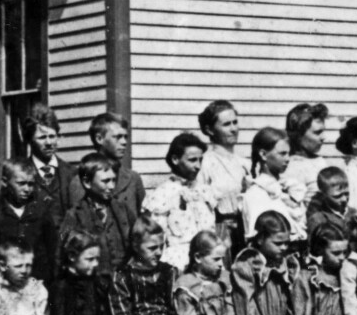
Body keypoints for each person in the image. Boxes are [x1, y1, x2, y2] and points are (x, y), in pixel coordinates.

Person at [141, 132, 217, 270]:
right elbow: (155, 238)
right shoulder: (163, 194)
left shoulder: (204, 192)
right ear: (175, 159)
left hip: (208, 261)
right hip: (178, 263)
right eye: (192, 160)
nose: (198, 166)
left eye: (200, 160)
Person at [0, 158, 59, 284]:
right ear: (5, 182)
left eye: (31, 184)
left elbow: (52, 250)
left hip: (37, 283)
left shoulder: (41, 212)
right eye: (21, 183)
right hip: (3, 283)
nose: (27, 189)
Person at [65, 113, 144, 224]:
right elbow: (79, 221)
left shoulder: (133, 178)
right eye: (117, 137)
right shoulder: (82, 180)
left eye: (126, 137)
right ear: (99, 139)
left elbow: (142, 222)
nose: (124, 142)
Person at [59, 154, 131, 274]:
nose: (112, 186)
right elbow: (62, 253)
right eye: (105, 181)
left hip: (122, 278)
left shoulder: (123, 209)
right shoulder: (74, 214)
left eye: (114, 180)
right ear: (87, 182)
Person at [193, 99, 248, 253]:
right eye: (226, 124)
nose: (234, 129)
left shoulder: (245, 164)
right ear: (210, 130)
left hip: (245, 232)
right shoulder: (205, 163)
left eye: (235, 122)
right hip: (220, 234)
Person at [243, 127, 307, 243]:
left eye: (288, 154)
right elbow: (256, 237)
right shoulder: (256, 194)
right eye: (282, 154)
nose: (287, 159)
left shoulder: (288, 188)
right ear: (263, 154)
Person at [25, 105, 76, 222]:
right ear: (29, 140)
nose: (48, 143)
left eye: (52, 136)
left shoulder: (71, 173)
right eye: (42, 137)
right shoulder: (20, 173)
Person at [281, 102, 332, 202]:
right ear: (298, 135)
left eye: (323, 131)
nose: (323, 137)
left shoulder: (320, 161)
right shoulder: (289, 166)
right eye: (317, 132)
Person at [305, 166, 350, 244]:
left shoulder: (354, 213)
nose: (344, 199)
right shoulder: (319, 219)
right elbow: (314, 247)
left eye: (346, 194)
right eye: (337, 196)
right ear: (323, 195)